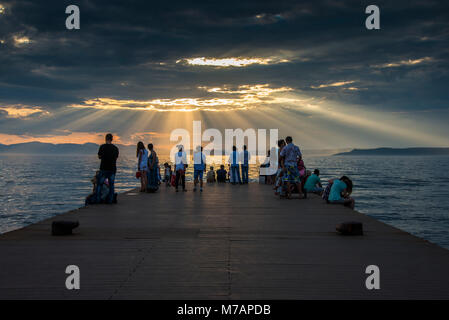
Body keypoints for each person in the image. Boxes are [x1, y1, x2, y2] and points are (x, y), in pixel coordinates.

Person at [96, 133, 119, 204]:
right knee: (111, 185)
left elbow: (99, 156)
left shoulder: (102, 147)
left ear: (105, 139)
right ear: (112, 139)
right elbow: (116, 158)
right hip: (112, 169)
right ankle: (110, 200)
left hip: (103, 168)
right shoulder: (115, 148)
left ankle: (98, 200)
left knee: (100, 184)